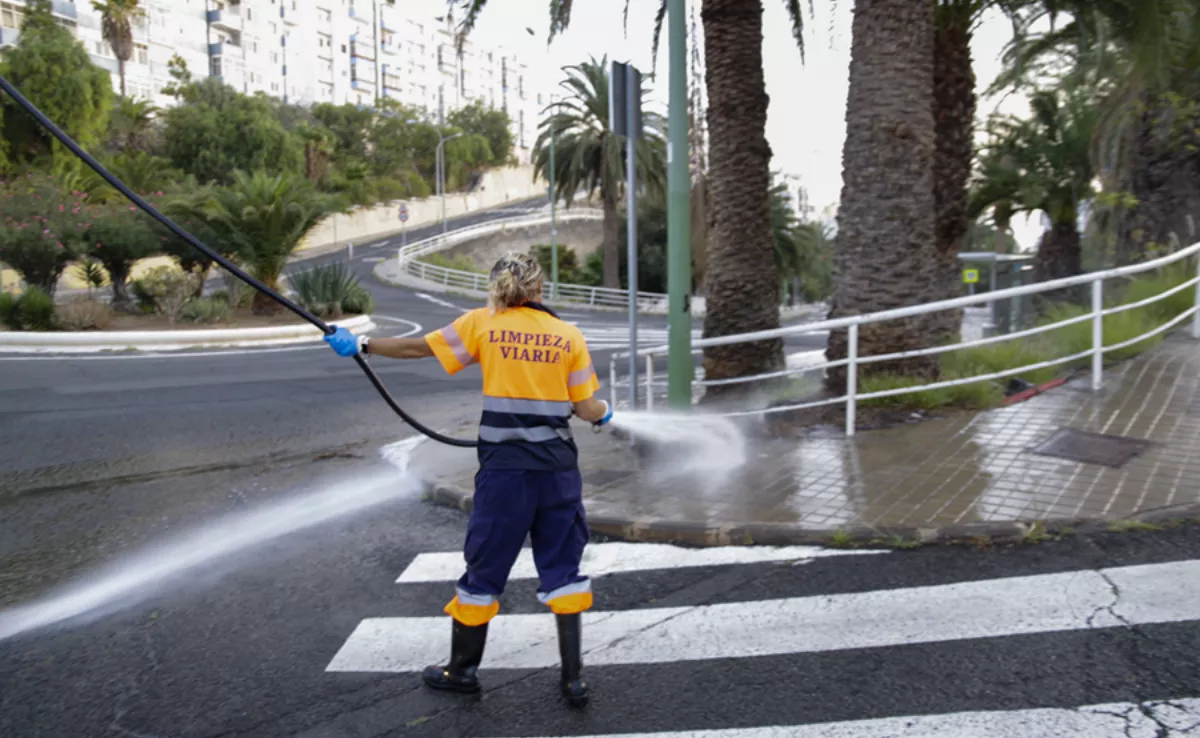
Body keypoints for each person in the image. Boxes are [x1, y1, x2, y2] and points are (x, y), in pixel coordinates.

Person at [323, 251, 612, 708]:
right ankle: (573, 681)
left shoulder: (484, 323)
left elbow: (420, 347)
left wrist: (362, 345)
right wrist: (606, 414)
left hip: (505, 473)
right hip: (558, 471)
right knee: (563, 567)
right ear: (539, 288)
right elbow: (586, 407)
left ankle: (462, 671)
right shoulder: (567, 334)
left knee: (485, 567)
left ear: (496, 286)